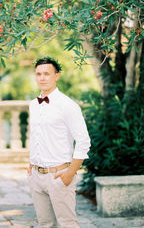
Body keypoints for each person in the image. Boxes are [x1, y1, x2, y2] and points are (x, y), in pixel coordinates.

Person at [28, 56, 91, 228]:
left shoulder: (68, 105)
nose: (42, 78)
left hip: (59, 175)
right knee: (45, 224)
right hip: (37, 176)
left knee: (67, 224)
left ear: (57, 76)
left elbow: (84, 141)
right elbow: (36, 136)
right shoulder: (33, 105)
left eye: (47, 74)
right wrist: (31, 164)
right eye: (38, 74)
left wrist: (70, 172)